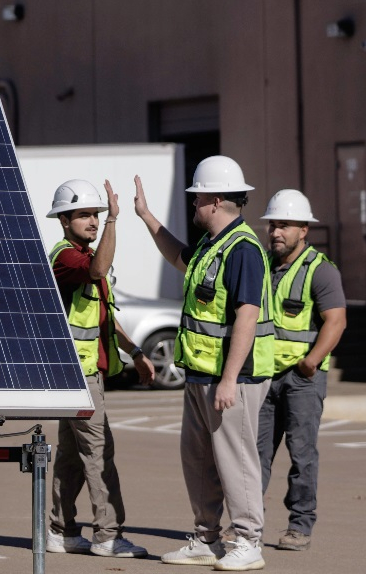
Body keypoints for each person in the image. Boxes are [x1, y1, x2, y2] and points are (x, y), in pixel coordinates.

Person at [134, 156, 274, 571]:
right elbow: (179, 256)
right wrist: (146, 218)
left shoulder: (243, 248)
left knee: (236, 458)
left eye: (196, 199)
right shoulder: (214, 245)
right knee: (197, 459)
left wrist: (230, 379)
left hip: (233, 378)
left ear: (213, 200)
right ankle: (206, 537)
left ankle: (248, 541)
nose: (193, 206)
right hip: (200, 374)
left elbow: (246, 316)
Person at [45, 178, 154, 559]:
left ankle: (61, 531)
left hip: (81, 372)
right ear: (64, 220)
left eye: (96, 214)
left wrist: (135, 351)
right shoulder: (67, 257)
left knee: (73, 455)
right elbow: (96, 270)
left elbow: (105, 318)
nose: (93, 220)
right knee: (99, 452)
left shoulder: (83, 255)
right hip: (79, 374)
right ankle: (108, 535)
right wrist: (114, 222)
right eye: (84, 215)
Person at [257, 189, 347, 552]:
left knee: (302, 454)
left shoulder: (320, 271)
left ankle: (300, 525)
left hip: (301, 379)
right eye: (273, 225)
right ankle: (246, 523)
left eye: (285, 225)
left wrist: (311, 361)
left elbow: (336, 321)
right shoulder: (263, 264)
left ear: (303, 230)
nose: (276, 231)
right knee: (255, 455)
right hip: (264, 375)